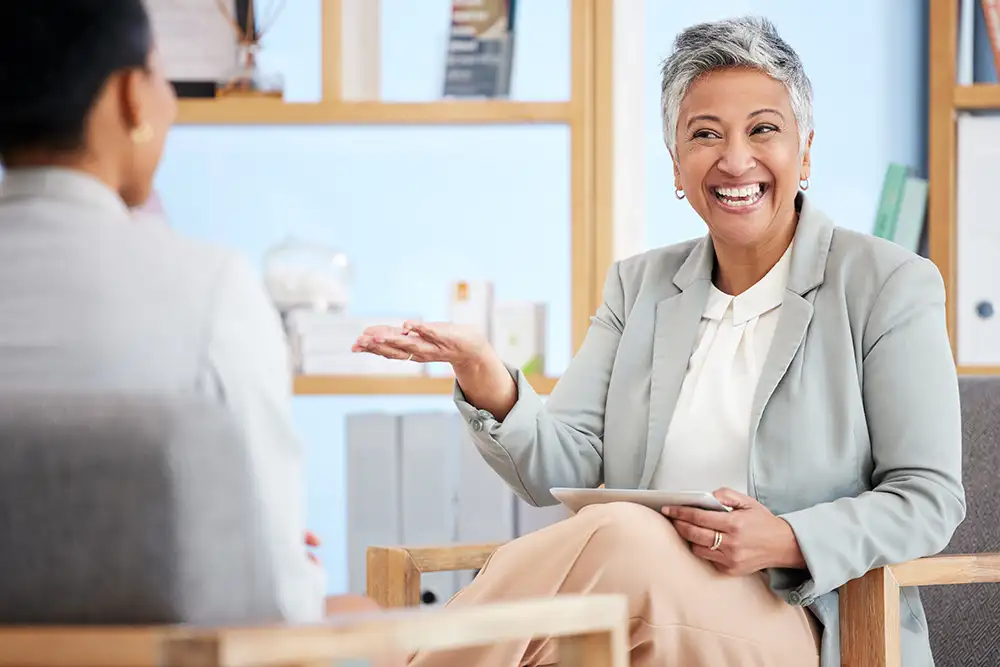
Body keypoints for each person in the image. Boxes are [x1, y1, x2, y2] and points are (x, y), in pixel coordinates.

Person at [354, 15, 966, 667]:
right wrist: (482, 370)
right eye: (706, 134)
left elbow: (928, 497)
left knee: (616, 535)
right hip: (639, 608)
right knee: (609, 549)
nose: (735, 159)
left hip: (808, 623)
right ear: (677, 164)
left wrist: (786, 537)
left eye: (763, 129)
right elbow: (561, 468)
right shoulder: (638, 286)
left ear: (805, 150)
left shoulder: (885, 283)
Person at [0, 0, 375, 623]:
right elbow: (278, 602)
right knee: (368, 617)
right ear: (130, 98)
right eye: (160, 75)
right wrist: (280, 560)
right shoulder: (211, 288)